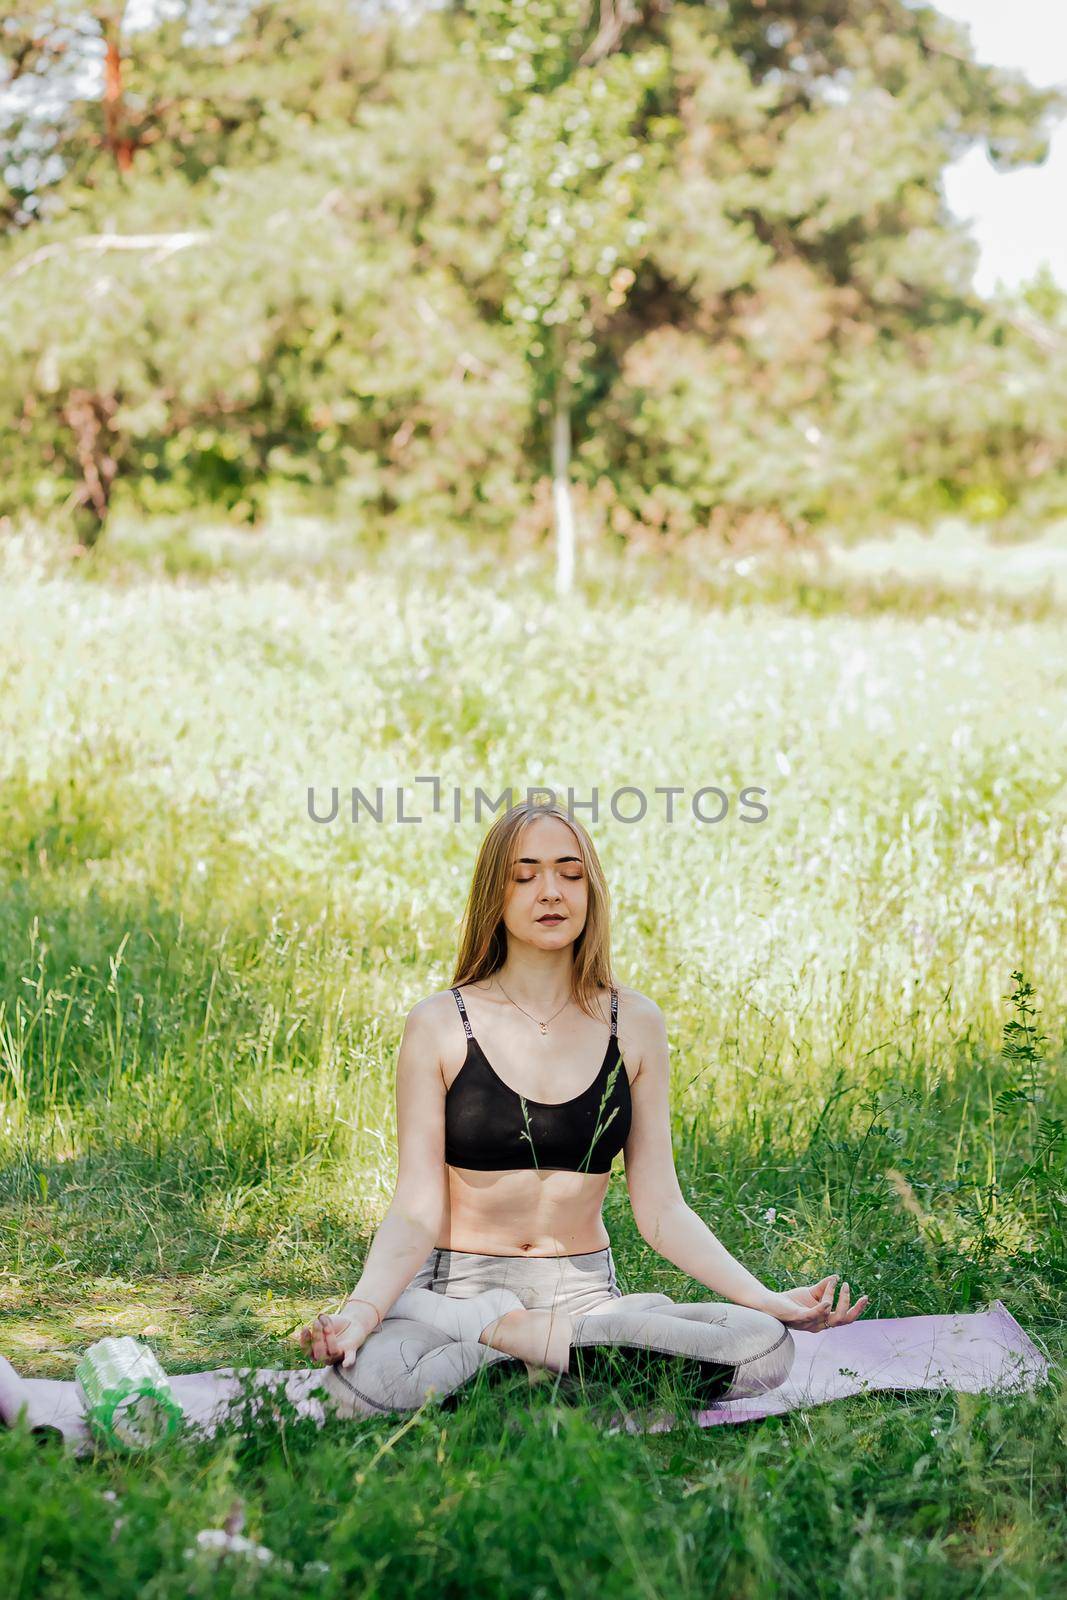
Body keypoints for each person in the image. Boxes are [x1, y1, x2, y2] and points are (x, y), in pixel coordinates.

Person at [296, 801, 870, 1418]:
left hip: (588, 1302)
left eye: (570, 874)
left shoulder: (635, 1023)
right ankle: (540, 1354)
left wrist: (764, 1300)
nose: (551, 891)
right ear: (495, 892)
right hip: (454, 1292)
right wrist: (361, 1313)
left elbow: (661, 1210)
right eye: (526, 875)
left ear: (591, 891)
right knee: (360, 1386)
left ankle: (533, 1360)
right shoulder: (439, 1024)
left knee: (763, 1349)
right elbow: (414, 1210)